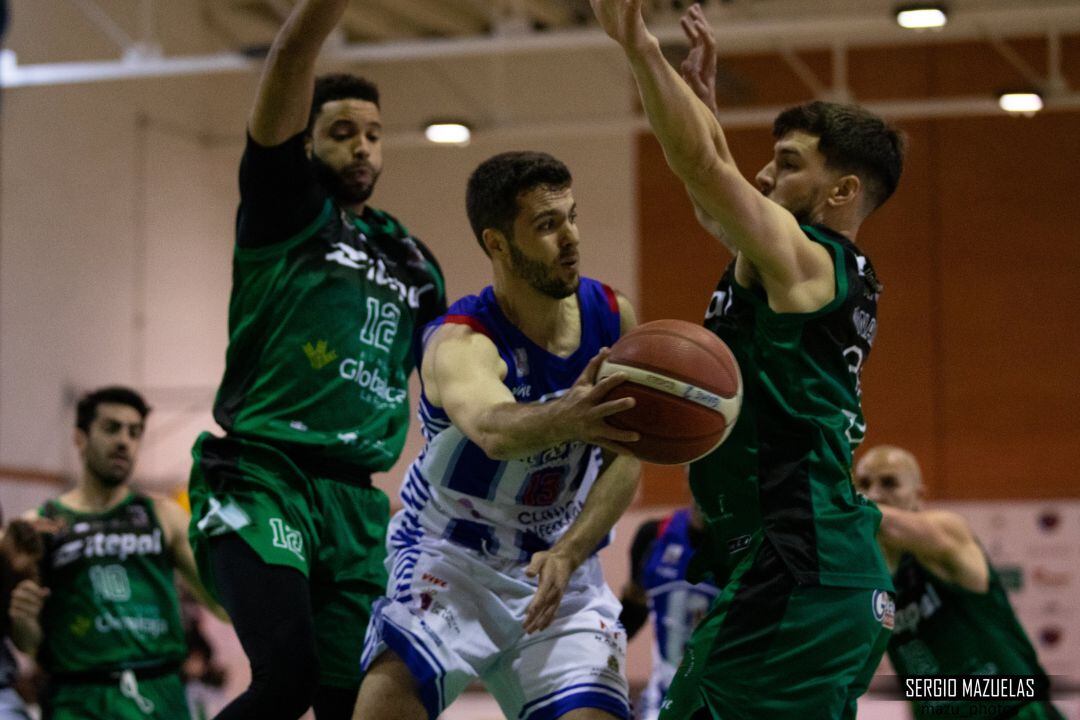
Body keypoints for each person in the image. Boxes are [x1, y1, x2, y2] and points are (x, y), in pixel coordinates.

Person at [591, 2, 906, 717]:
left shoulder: (805, 259)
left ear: (843, 191)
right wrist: (697, 102)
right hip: (821, 575)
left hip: (798, 567)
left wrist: (639, 49)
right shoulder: (791, 266)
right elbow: (717, 192)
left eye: (789, 164)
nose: (763, 174)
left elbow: (706, 173)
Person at [185, 1, 446, 718]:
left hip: (357, 503)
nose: (361, 147)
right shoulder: (285, 207)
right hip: (265, 473)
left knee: (350, 700)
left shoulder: (414, 259)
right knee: (286, 677)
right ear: (306, 144)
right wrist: (312, 19)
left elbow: (458, 372)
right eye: (340, 133)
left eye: (372, 135)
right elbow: (292, 57)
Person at [352, 151, 641, 720]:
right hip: (452, 558)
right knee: (383, 708)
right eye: (547, 225)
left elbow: (625, 458)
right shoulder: (460, 342)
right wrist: (568, 416)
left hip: (558, 563)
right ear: (498, 244)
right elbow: (492, 429)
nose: (571, 238)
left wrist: (571, 549)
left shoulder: (612, 317)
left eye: (572, 217)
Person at [7, 386, 223, 720]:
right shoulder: (37, 527)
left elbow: (223, 604)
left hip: (158, 693)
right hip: (77, 698)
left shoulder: (164, 515)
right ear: (80, 438)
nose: (124, 441)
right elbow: (27, 642)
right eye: (111, 428)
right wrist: (23, 621)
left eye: (135, 432)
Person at [854, 446, 1065, 720]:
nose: (875, 494)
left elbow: (887, 523)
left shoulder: (946, 531)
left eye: (889, 482)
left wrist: (843, 502)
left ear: (918, 495)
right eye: (864, 484)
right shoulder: (869, 575)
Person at [618, 503, 719, 720]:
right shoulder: (654, 535)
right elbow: (633, 615)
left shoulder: (742, 545)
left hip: (720, 700)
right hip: (663, 699)